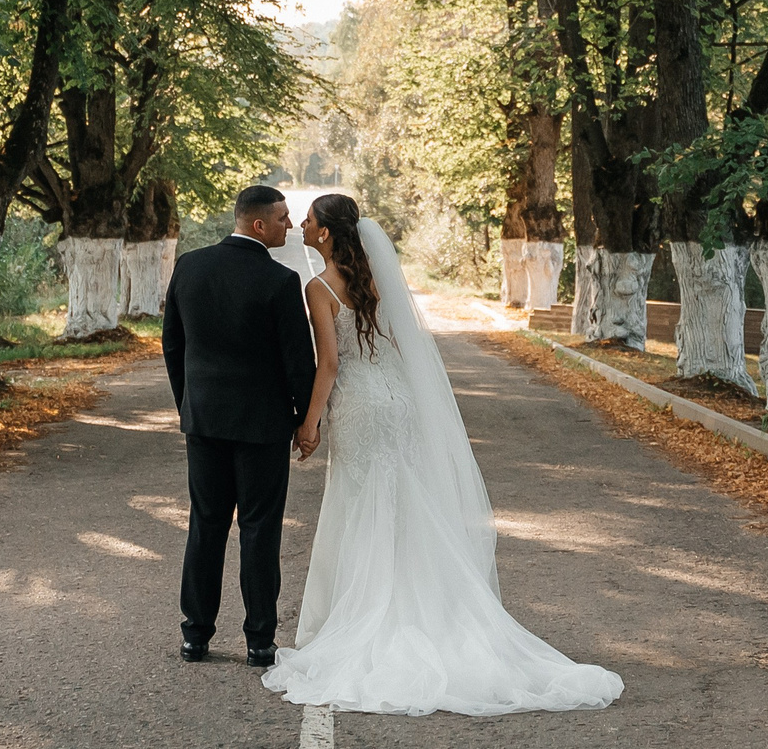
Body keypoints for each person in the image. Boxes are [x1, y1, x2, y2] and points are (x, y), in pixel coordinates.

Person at [263, 192, 624, 717]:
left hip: (361, 407)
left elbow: (331, 366)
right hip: (400, 403)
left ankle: (370, 618)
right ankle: (436, 610)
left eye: (310, 218)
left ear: (324, 234)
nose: (301, 222)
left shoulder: (319, 288)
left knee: (361, 505)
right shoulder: (379, 280)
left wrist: (310, 422)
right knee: (406, 503)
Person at [161, 183, 318, 667]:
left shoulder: (189, 265)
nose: (289, 226)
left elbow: (173, 345)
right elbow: (298, 362)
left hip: (203, 419)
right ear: (258, 225)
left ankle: (195, 636)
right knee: (259, 529)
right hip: (262, 426)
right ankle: (259, 641)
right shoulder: (279, 281)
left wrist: (189, 404)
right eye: (282, 218)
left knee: (205, 525)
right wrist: (302, 420)